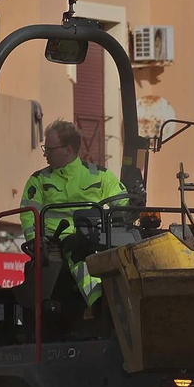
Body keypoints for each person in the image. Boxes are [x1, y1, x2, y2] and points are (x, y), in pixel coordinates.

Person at [19, 119, 127, 311]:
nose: (45, 154)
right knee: (77, 248)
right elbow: (29, 216)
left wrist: (134, 204)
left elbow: (123, 205)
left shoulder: (100, 175)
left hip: (97, 237)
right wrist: (35, 241)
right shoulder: (39, 180)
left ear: (68, 150)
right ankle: (99, 305)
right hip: (57, 240)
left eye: (49, 149)